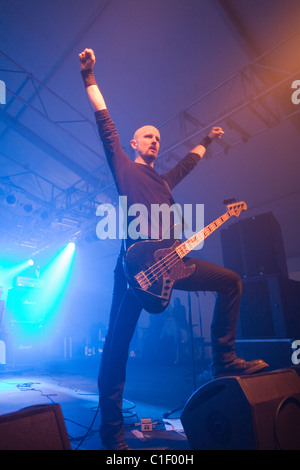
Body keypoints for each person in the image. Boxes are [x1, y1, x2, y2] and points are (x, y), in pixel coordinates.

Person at [79, 48, 268, 450]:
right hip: (135, 266)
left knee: (231, 281)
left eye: (158, 138)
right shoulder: (124, 167)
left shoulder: (164, 182)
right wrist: (89, 76)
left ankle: (224, 359)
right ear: (134, 141)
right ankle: (112, 435)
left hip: (173, 261)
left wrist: (206, 139)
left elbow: (188, 164)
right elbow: (105, 125)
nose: (155, 140)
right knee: (116, 348)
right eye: (148, 134)